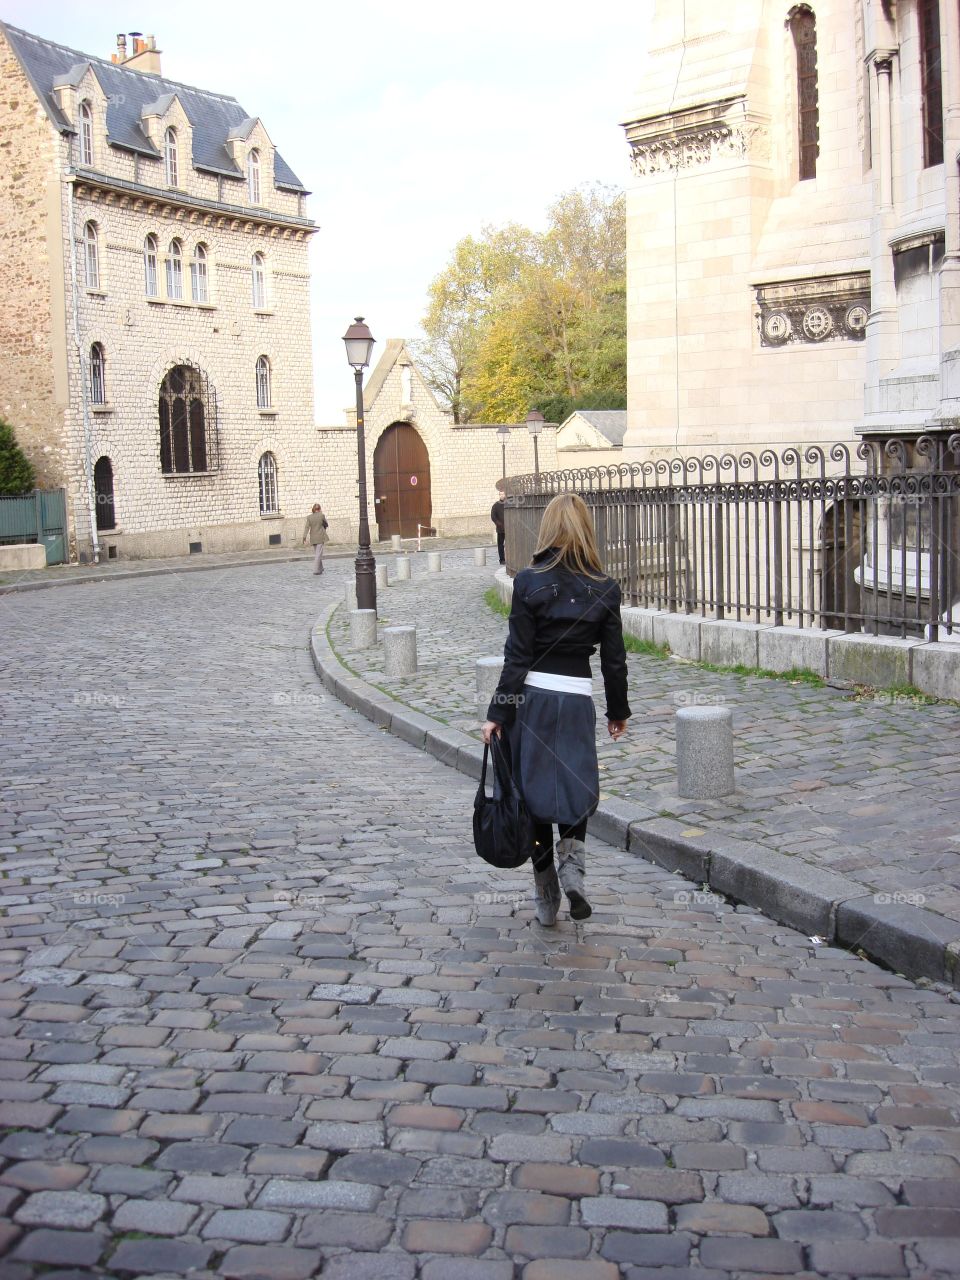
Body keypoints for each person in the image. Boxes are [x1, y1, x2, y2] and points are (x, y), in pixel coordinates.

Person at [482, 493, 630, 925]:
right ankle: (574, 873)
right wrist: (617, 711)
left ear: (546, 530)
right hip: (577, 699)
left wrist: (498, 712)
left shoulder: (528, 583)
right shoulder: (605, 588)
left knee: (531, 795)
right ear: (587, 530)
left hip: (533, 699)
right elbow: (614, 660)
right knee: (572, 788)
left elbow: (517, 658)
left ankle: (546, 892)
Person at [302, 503, 329, 574]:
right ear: (319, 509)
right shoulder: (321, 515)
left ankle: (321, 568)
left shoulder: (309, 517)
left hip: (313, 537)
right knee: (318, 554)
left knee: (317, 553)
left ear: (313, 509)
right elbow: (326, 524)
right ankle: (316, 570)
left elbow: (307, 527)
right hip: (320, 537)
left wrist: (304, 537)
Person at [491, 484, 506, 565]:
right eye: (500, 494)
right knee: (500, 545)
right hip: (500, 529)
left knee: (510, 545)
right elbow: (493, 516)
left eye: (503, 494)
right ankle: (502, 559)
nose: (501, 495)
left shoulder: (509, 503)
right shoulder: (496, 505)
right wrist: (499, 524)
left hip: (509, 528)